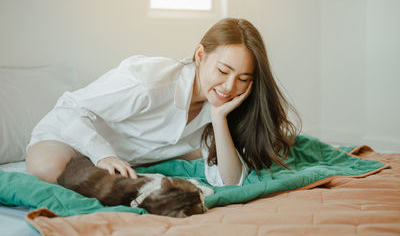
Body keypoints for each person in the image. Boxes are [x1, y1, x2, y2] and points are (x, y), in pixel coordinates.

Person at [26, 18, 300, 186]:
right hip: (71, 134)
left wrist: (218, 118)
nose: (229, 87)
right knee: (45, 167)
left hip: (126, 159)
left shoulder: (225, 107)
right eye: (223, 71)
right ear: (201, 55)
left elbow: (231, 181)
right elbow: (73, 107)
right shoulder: (149, 82)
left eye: (243, 78)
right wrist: (103, 155)